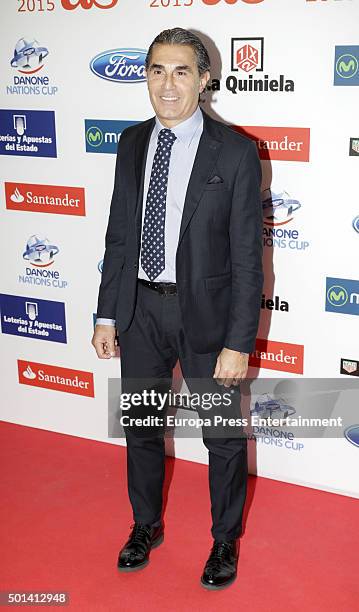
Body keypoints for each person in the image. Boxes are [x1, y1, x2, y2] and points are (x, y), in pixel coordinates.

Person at [92, 27, 263, 590]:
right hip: (140, 311)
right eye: (156, 71)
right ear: (146, 76)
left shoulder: (235, 150)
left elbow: (246, 259)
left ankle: (224, 540)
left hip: (207, 322)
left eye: (181, 71)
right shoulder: (132, 143)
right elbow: (119, 235)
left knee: (221, 436)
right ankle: (145, 525)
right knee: (141, 428)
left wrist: (239, 342)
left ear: (204, 79)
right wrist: (107, 314)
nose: (167, 85)